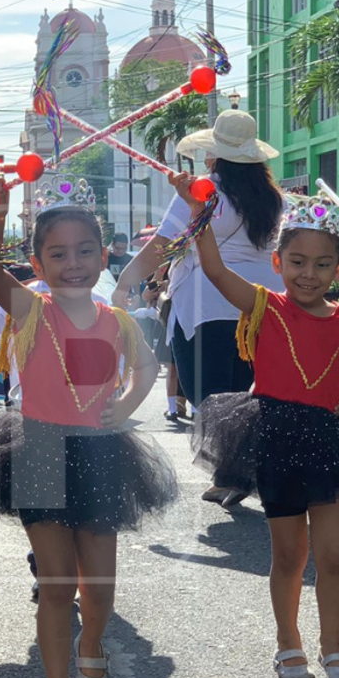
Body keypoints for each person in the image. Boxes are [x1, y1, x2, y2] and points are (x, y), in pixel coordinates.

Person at [0, 175, 177, 678]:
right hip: (39, 449)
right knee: (57, 583)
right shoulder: (32, 313)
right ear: (37, 264)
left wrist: (128, 403)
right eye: (57, 254)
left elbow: (149, 367)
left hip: (103, 455)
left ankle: (93, 647)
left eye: (85, 251)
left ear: (103, 255)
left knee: (99, 587)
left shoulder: (117, 321)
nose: (74, 263)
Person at [185, 183, 339, 678]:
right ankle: (288, 643)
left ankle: (334, 647)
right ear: (277, 263)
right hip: (274, 437)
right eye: (297, 261)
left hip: (328, 443)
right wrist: (200, 213)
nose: (309, 273)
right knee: (289, 555)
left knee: (336, 554)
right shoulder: (263, 306)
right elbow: (215, 271)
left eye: (323, 264)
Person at [113, 110, 285, 507]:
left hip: (207, 298)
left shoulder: (204, 192)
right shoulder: (272, 197)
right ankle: (236, 470)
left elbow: (163, 244)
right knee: (247, 385)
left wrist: (126, 281)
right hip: (260, 302)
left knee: (206, 391)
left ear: (215, 154)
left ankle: (233, 471)